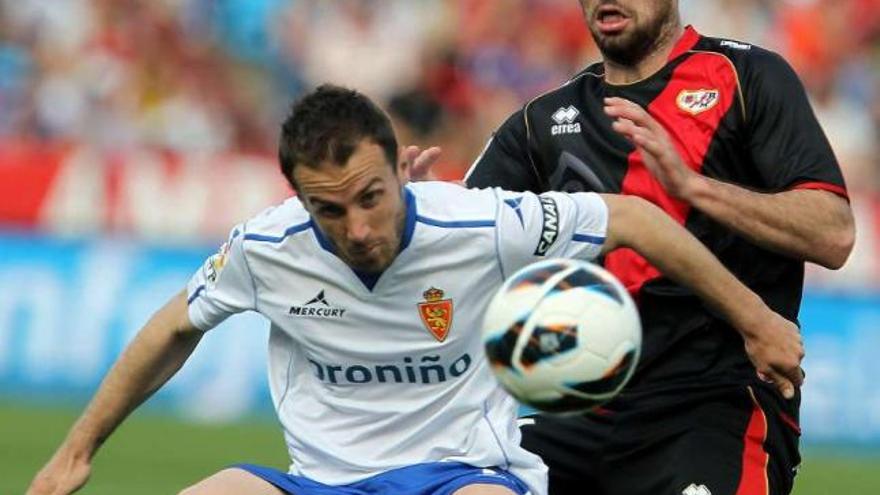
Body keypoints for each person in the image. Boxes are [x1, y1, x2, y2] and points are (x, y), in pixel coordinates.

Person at [28, 84, 804, 495]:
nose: (358, 226)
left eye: (372, 195)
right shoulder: (268, 247)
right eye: (330, 209)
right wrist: (74, 452)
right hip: (322, 482)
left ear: (396, 165)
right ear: (298, 199)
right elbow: (173, 325)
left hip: (463, 475)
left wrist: (758, 319)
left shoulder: (475, 224)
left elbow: (635, 217)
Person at [412, 1, 854, 494]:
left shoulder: (748, 76)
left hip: (716, 403)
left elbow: (833, 234)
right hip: (580, 407)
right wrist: (424, 218)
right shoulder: (544, 121)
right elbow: (458, 239)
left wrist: (695, 188)